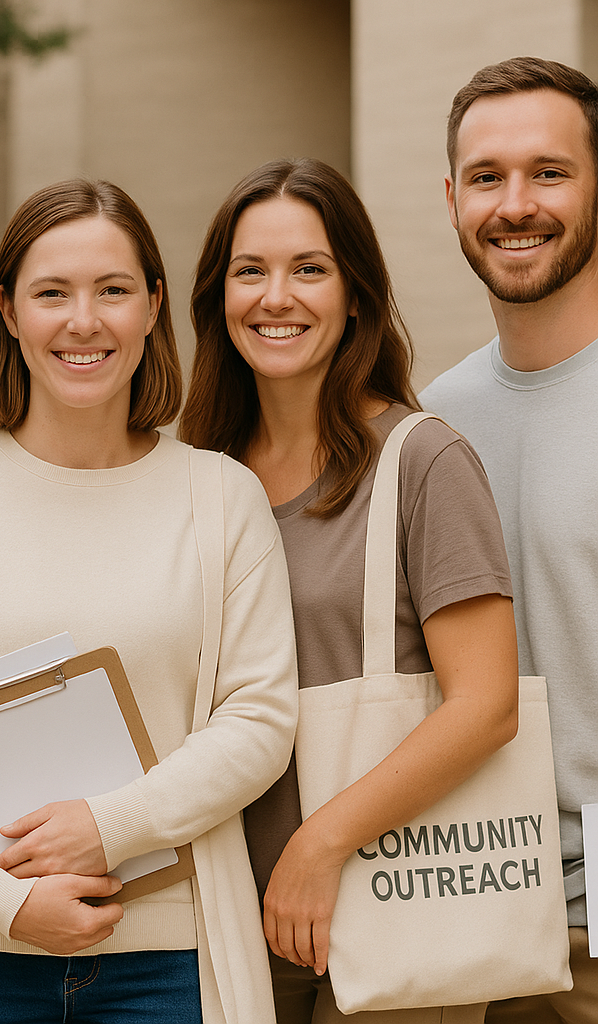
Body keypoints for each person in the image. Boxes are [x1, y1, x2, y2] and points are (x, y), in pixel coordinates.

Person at [0, 178, 299, 1024]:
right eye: (52, 293)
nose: (83, 321)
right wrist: (4, 901)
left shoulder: (221, 496)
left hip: (168, 960)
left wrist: (110, 824)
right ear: (10, 314)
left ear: (153, 307)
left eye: (113, 291)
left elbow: (261, 718)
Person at [179, 158, 519, 1024]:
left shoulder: (423, 461)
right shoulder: (197, 478)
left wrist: (320, 843)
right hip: (224, 916)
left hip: (393, 898)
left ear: (357, 294)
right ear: (219, 297)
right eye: (249, 271)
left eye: (310, 269)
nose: (275, 297)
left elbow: (486, 705)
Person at [420, 56, 598, 1024]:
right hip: (470, 917)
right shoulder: (435, 421)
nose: (514, 204)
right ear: (451, 201)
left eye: (549, 171)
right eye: (486, 177)